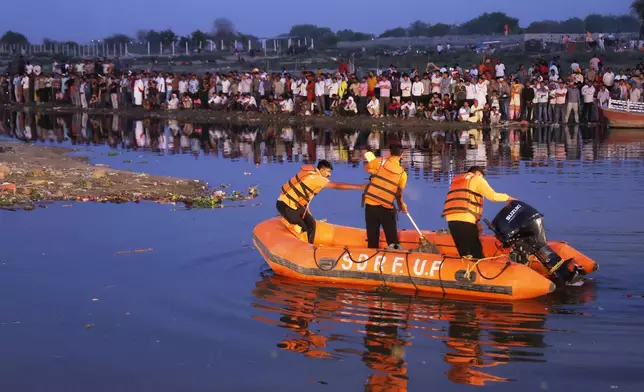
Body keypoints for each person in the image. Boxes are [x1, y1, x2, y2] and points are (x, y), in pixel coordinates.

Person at [277, 160, 364, 244]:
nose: (329, 175)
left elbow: (304, 195)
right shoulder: (316, 179)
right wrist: (360, 187)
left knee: (311, 223)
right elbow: (338, 186)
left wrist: (308, 213)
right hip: (285, 205)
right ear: (321, 170)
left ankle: (309, 246)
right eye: (328, 172)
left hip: (294, 205)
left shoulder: (311, 174)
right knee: (303, 227)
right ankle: (301, 248)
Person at [441, 166, 515, 259]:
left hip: (451, 220)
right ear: (478, 173)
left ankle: (465, 270)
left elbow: (463, 202)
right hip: (466, 220)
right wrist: (508, 198)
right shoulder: (477, 179)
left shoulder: (458, 181)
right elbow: (493, 196)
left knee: (464, 253)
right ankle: (479, 270)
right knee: (476, 254)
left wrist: (475, 223)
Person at [362, 142, 408, 249]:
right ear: (402, 155)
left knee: (372, 240)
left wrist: (373, 172)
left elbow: (366, 168)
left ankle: (372, 259)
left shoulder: (379, 162)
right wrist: (401, 205)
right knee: (392, 242)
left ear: (389, 153)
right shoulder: (402, 174)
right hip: (386, 208)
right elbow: (398, 193)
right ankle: (393, 259)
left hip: (371, 205)